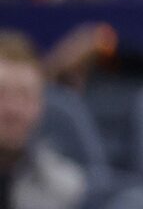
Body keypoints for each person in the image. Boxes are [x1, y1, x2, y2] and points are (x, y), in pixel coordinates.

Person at [0, 31, 85, 209]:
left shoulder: (66, 189)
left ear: (41, 106)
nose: (13, 110)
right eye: (2, 94)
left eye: (25, 96)